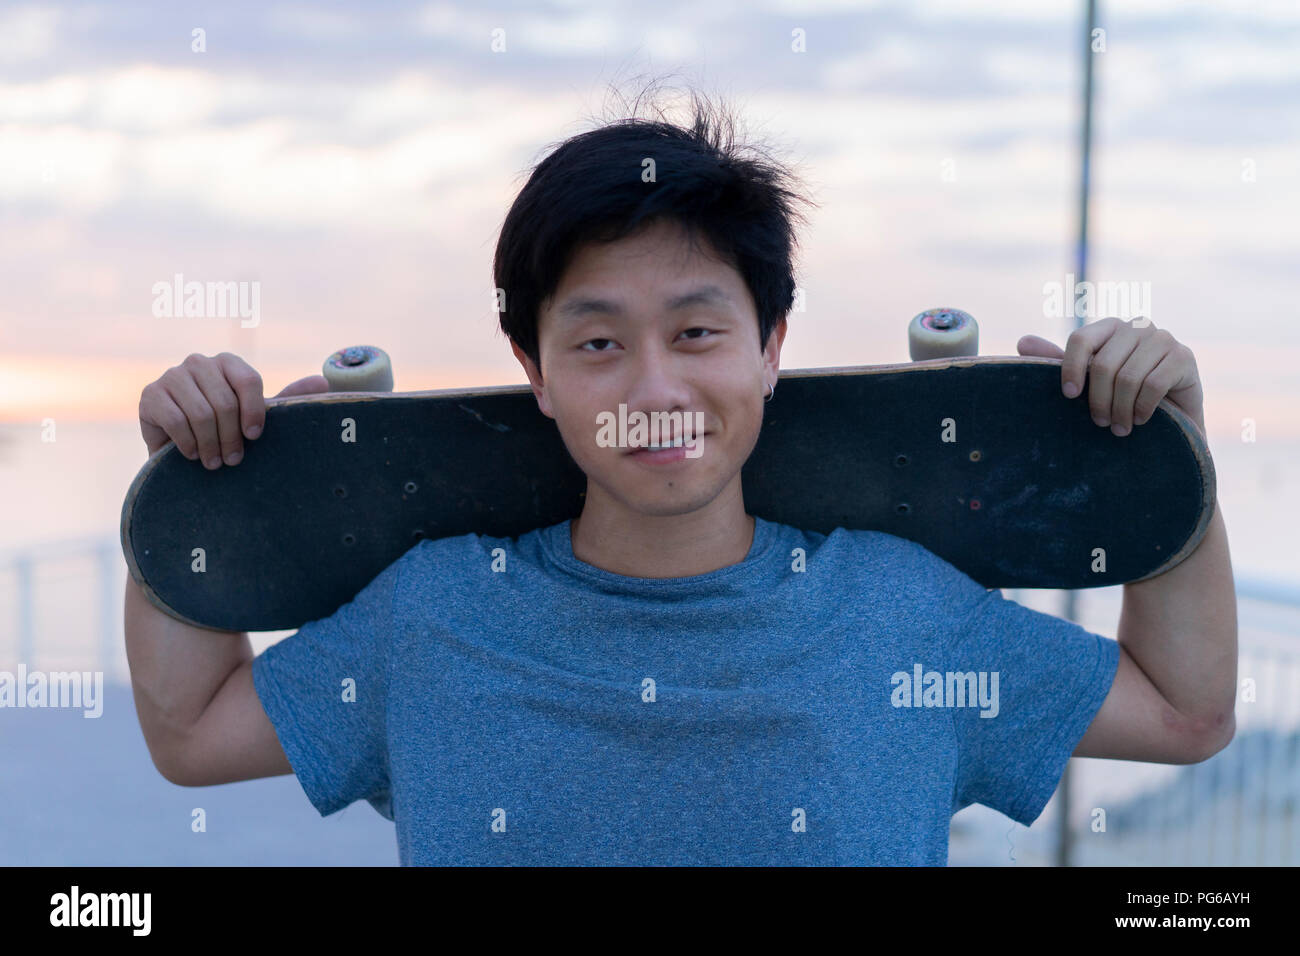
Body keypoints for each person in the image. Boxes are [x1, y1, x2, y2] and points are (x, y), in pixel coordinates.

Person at [126, 89, 1237, 865]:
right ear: (537, 371)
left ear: (770, 344)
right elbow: (191, 731)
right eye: (598, 343)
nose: (652, 383)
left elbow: (1186, 713)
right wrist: (201, 479)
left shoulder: (904, 614)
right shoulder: (433, 613)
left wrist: (1167, 465)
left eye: (697, 331)